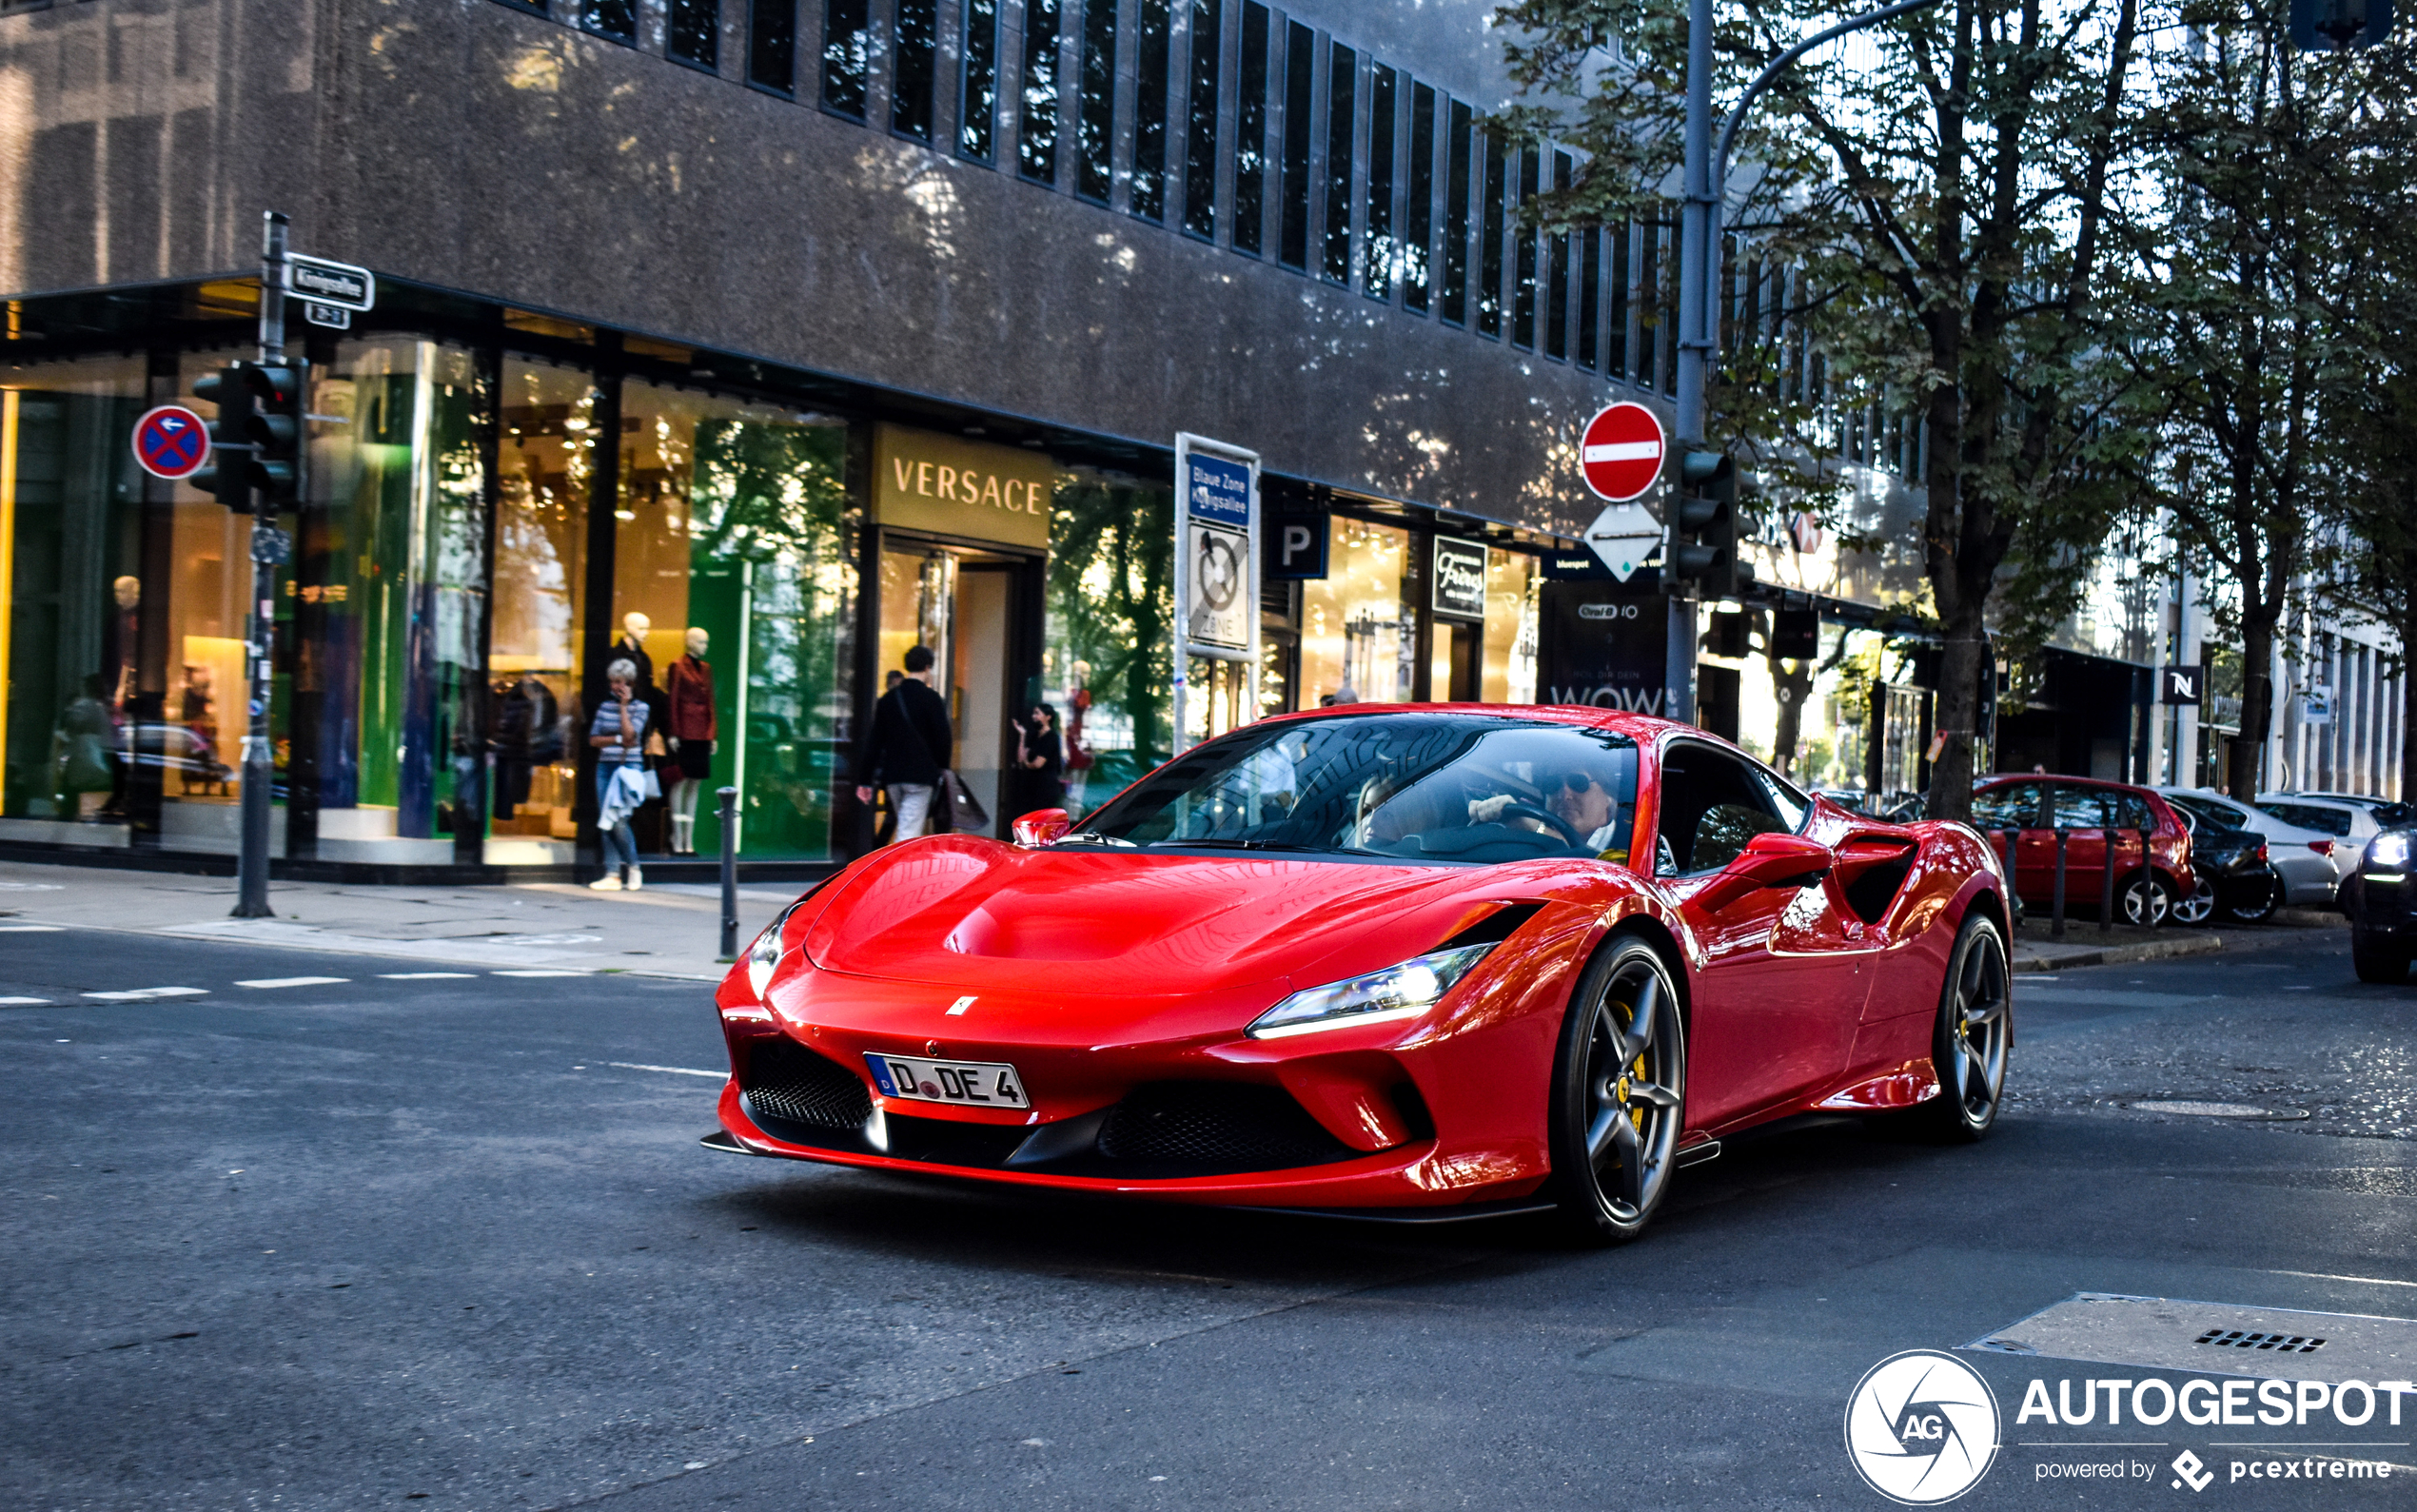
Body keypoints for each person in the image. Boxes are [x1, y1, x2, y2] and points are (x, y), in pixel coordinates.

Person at [854, 645, 953, 843]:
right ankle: (902, 871)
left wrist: (865, 780)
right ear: (927, 668)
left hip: (894, 778)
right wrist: (942, 767)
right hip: (921, 778)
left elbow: (874, 742)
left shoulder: (888, 700)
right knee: (908, 834)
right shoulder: (932, 699)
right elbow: (944, 739)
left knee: (908, 825)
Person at [588, 659, 651, 891]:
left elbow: (632, 737)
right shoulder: (604, 707)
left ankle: (634, 867)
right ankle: (612, 873)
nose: (615, 686)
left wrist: (624, 707)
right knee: (607, 818)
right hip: (605, 767)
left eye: (620, 682)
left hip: (629, 768)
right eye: (613, 681)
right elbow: (593, 739)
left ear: (630, 683)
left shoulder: (641, 707)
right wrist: (615, 739)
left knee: (620, 819)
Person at [1015, 702, 1064, 813]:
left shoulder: (1051, 737)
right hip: (1032, 787)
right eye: (1033, 713)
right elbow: (1020, 758)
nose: (1034, 716)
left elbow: (1038, 763)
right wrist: (1022, 735)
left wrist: (1027, 764)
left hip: (1045, 788)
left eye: (1037, 713)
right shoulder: (1034, 736)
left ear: (1048, 717)